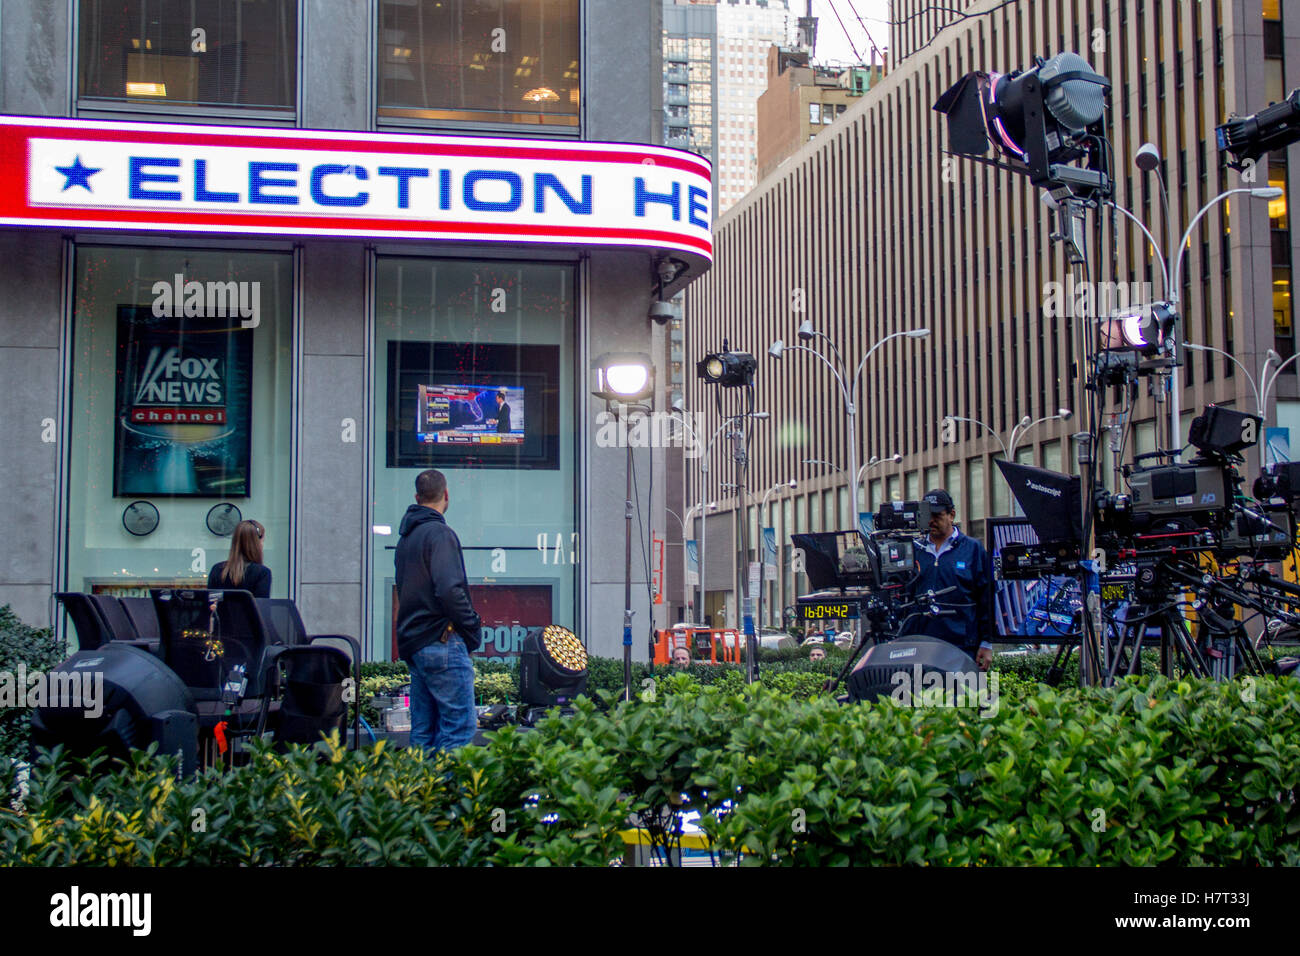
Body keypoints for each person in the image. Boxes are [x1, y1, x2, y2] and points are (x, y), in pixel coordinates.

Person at [395, 469, 483, 752]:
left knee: (423, 734)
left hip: (416, 645)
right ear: (446, 495)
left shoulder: (406, 539)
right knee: (458, 731)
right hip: (442, 642)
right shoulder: (440, 534)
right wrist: (472, 628)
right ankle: (450, 796)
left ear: (416, 497)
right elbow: (449, 590)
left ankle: (423, 794)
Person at [909, 489, 994, 670]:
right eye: (927, 516)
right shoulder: (914, 550)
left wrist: (987, 643)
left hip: (964, 646)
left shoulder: (973, 549)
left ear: (951, 515)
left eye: (937, 515)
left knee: (965, 698)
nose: (931, 521)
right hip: (922, 645)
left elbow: (987, 599)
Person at [208, 519, 271, 598]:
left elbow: (211, 604)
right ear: (257, 543)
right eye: (262, 541)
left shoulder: (217, 570)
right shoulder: (262, 573)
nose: (262, 545)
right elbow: (261, 607)